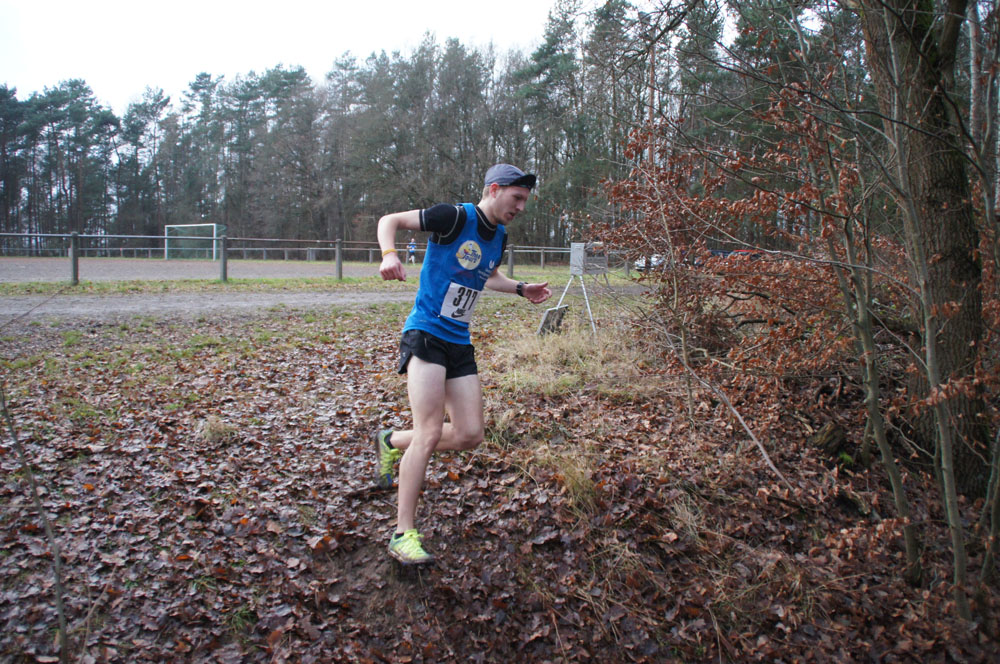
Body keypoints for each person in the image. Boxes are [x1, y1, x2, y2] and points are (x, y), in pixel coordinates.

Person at [374, 163, 553, 565]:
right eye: (516, 198)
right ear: (495, 189)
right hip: (426, 333)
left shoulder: (499, 236)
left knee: (470, 434)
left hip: (459, 341)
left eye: (525, 201)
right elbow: (390, 220)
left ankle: (391, 441)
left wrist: (521, 288)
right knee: (429, 431)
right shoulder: (454, 217)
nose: (521, 207)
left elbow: (486, 275)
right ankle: (402, 534)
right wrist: (389, 255)